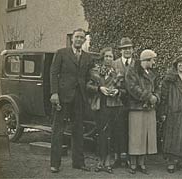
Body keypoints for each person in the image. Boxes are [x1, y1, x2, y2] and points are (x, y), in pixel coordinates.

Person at [49, 28, 93, 173]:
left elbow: (88, 77)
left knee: (78, 130)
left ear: (84, 40)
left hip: (79, 98)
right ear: (72, 39)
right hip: (62, 97)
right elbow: (53, 73)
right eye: (77, 37)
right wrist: (54, 93)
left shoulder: (87, 57)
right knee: (58, 130)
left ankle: (78, 162)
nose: (79, 39)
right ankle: (55, 164)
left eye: (82, 37)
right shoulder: (61, 53)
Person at [87, 47, 125, 173]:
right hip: (100, 105)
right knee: (100, 133)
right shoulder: (95, 71)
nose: (109, 59)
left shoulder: (118, 73)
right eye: (106, 56)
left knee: (110, 134)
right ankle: (100, 161)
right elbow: (88, 86)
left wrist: (117, 91)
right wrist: (99, 89)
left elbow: (124, 89)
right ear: (102, 58)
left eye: (111, 57)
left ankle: (108, 162)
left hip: (114, 106)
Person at [125, 49, 160, 175]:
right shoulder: (132, 70)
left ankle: (142, 163)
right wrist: (148, 96)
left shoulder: (152, 73)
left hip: (150, 108)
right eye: (153, 60)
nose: (154, 62)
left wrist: (156, 96)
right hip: (136, 108)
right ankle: (133, 163)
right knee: (135, 136)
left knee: (146, 136)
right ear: (146, 60)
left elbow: (157, 87)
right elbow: (132, 88)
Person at [160, 54, 182, 173]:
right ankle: (171, 162)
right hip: (173, 110)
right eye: (180, 63)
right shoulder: (170, 78)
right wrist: (163, 112)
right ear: (176, 64)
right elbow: (163, 96)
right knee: (172, 136)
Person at [111, 37, 134, 168]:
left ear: (132, 50)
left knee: (131, 130)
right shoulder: (114, 64)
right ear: (120, 50)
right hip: (117, 101)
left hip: (133, 102)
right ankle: (117, 157)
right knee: (117, 129)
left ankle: (130, 158)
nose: (127, 51)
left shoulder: (136, 64)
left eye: (129, 48)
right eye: (124, 48)